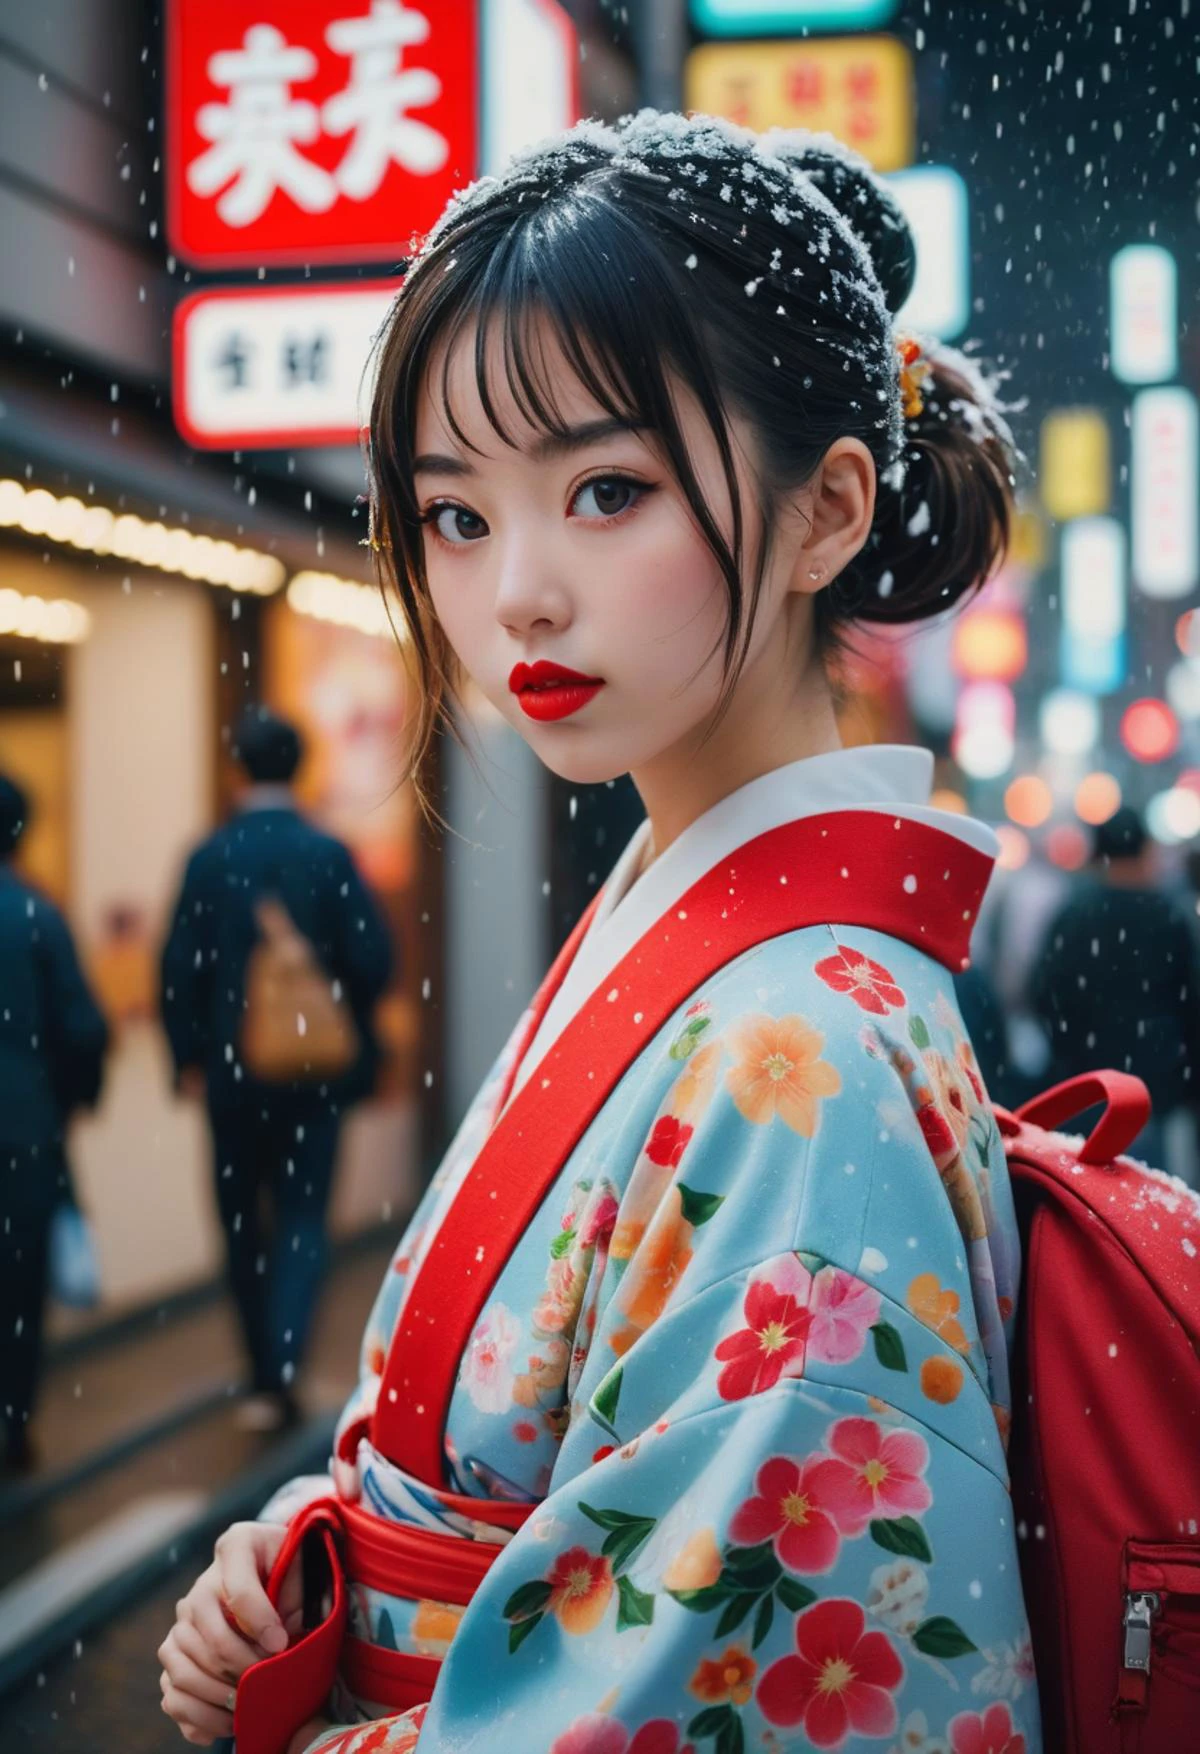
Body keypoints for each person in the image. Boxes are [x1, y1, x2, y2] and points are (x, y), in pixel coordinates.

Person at [158, 115, 1040, 1753]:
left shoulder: (809, 1048)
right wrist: (309, 1558)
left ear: (829, 508)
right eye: (458, 514)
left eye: (607, 488)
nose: (518, 596)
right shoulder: (701, 929)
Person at [159, 707, 393, 1430]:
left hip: (232, 1076)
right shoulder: (327, 853)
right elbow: (375, 959)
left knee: (239, 1219)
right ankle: (287, 1362)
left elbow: (177, 968)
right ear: (300, 768)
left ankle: (259, 1371)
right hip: (313, 1076)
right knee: (302, 1214)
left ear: (239, 767)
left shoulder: (210, 856)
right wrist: (340, 1013)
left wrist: (189, 1055)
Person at [0, 773, 108, 1471]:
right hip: (23, 1128)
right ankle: (12, 1426)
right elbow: (82, 1027)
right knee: (18, 1281)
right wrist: (69, 1099)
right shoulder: (36, 915)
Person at [1031, 805, 1200, 1171]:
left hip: (1084, 1084)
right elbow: (1191, 1004)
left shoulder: (1075, 913)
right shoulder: (1168, 915)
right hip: (1151, 1086)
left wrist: (1068, 1045)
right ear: (1143, 851)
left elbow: (1043, 992)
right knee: (1147, 1197)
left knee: (1086, 1191)